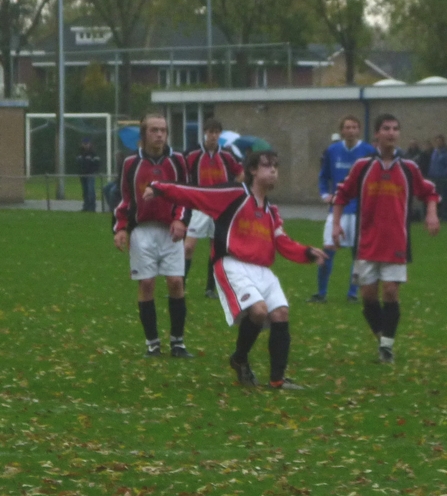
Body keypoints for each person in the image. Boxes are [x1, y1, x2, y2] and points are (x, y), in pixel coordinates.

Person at [144, 151, 328, 390]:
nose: (273, 170)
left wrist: (307, 253)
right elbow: (196, 193)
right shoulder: (233, 195)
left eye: (276, 166)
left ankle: (277, 379)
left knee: (281, 313)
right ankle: (240, 358)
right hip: (232, 263)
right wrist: (159, 187)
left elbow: (282, 242)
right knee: (259, 311)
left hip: (262, 269)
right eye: (267, 166)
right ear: (252, 170)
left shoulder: (271, 210)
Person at [332, 114, 440, 364]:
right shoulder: (362, 166)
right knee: (368, 296)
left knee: (390, 292)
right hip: (367, 242)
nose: (391, 133)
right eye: (386, 129)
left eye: (395, 129)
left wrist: (432, 213)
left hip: (396, 242)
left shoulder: (409, 168)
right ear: (377, 134)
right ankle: (383, 339)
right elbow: (342, 194)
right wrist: (336, 224)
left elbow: (430, 192)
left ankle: (387, 347)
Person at [112, 113, 192, 358]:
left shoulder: (178, 160)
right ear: (144, 134)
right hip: (142, 230)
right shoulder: (130, 163)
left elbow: (186, 194)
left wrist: (180, 219)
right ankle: (152, 343)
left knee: (176, 282)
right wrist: (121, 227)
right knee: (146, 284)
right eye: (154, 130)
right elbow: (124, 198)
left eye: (163, 130)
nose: (159, 135)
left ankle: (177, 343)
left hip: (170, 231)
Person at [308, 115, 377, 304]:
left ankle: (353, 293)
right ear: (342, 131)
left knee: (358, 254)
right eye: (347, 127)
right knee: (328, 250)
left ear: (359, 130)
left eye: (354, 127)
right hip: (337, 209)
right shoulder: (332, 151)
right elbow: (324, 176)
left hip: (359, 210)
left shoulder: (368, 151)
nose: (351, 130)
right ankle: (321, 293)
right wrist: (325, 194)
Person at [184, 118, 244, 299]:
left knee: (215, 248)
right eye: (210, 132)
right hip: (199, 206)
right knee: (188, 247)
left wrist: (231, 188)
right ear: (205, 133)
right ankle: (180, 284)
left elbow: (241, 172)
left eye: (217, 132)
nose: (213, 136)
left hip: (219, 208)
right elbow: (181, 172)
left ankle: (210, 289)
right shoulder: (192, 154)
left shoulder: (227, 155)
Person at [429, 134, 447, 222]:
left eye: (440, 141)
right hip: (435, 179)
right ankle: (437, 215)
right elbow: (433, 164)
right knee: (436, 198)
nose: (438, 143)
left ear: (443, 142)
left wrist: (444, 175)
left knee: (445, 198)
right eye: (437, 141)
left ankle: (445, 216)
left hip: (444, 180)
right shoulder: (435, 152)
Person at [77, 138, 101, 212]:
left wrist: (93, 171)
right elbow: (77, 163)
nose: (85, 145)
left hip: (90, 174)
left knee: (91, 191)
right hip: (82, 175)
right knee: (85, 191)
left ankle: (92, 207)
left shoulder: (93, 153)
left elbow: (97, 164)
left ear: (90, 144)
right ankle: (86, 206)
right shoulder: (80, 153)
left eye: (87, 144)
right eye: (84, 144)